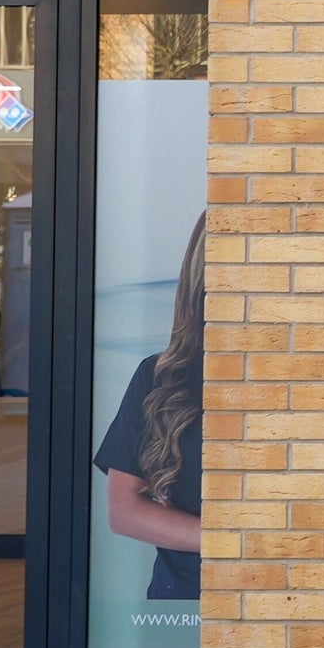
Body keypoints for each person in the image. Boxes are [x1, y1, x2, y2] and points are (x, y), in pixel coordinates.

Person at [93, 212, 202, 597]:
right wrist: (230, 543)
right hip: (188, 606)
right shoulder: (161, 377)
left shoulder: (306, 377)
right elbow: (124, 510)